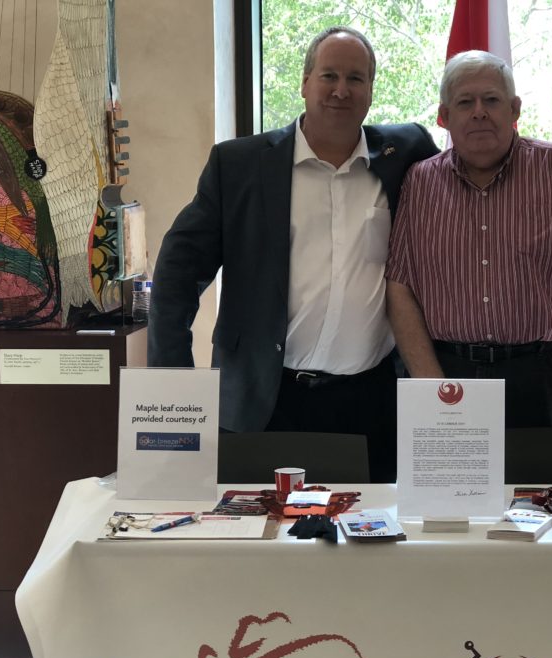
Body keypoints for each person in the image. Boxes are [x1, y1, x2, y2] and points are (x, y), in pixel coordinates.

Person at [148, 27, 439, 482]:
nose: (342, 90)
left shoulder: (406, 155)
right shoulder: (239, 166)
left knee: (373, 540)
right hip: (264, 401)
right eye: (329, 75)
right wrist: (173, 383)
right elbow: (177, 273)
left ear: (370, 91)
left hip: (373, 404)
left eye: (356, 78)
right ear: (304, 84)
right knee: (261, 541)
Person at [386, 50, 552, 430]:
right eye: (465, 102)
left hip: (543, 378)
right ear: (444, 116)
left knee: (549, 491)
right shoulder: (419, 183)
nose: (479, 111)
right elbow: (400, 288)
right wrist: (432, 385)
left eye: (491, 100)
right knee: (455, 492)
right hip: (448, 374)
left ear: (514, 109)